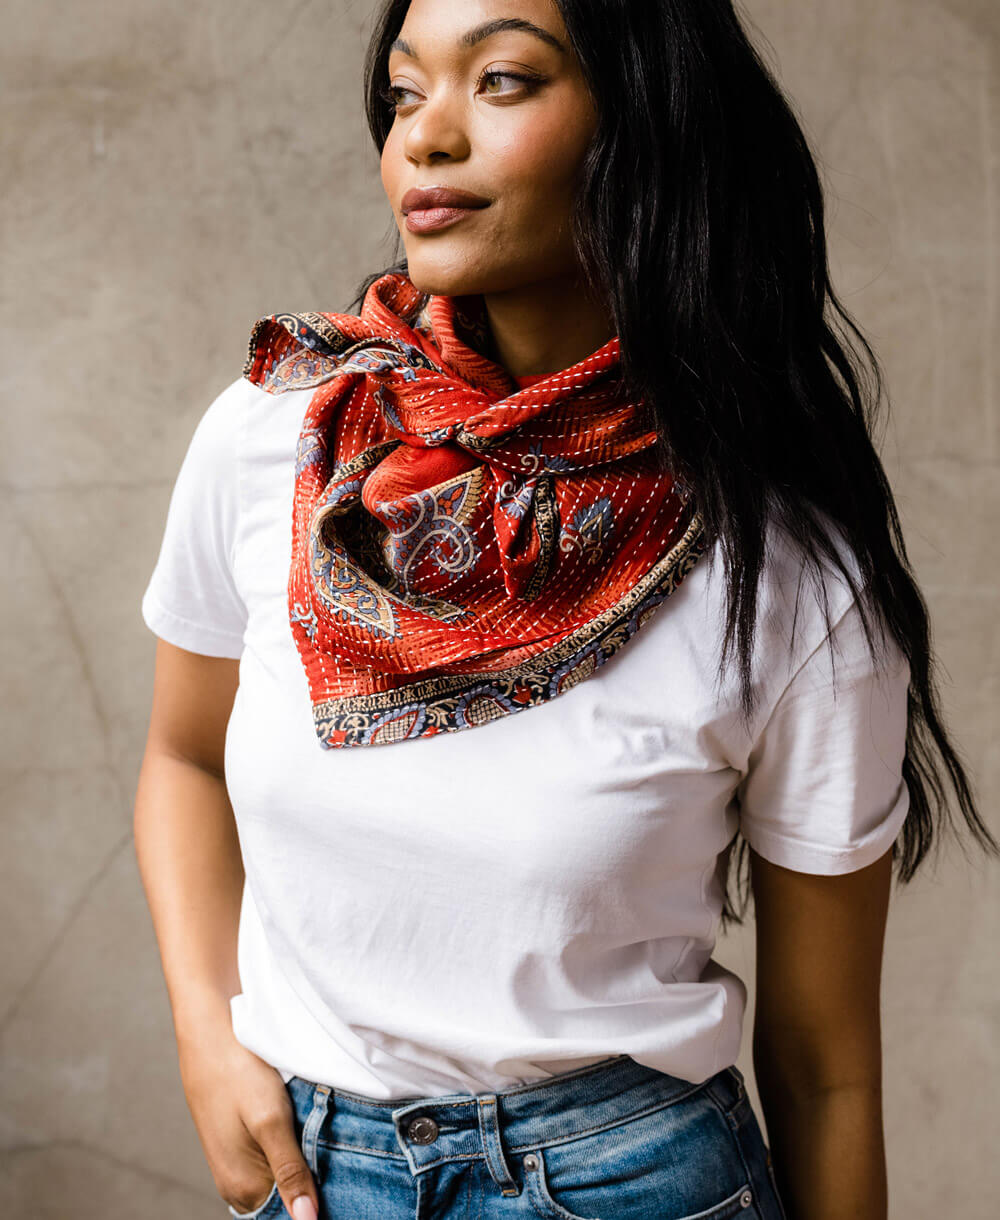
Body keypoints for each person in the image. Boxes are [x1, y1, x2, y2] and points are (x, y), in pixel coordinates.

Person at [133, 3, 997, 1219]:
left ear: (644, 125)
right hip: (316, 1177)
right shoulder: (278, 436)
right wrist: (204, 1032)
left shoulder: (789, 573)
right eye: (400, 92)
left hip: (629, 1179)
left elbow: (824, 1066)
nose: (423, 137)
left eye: (498, 80)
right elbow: (182, 755)